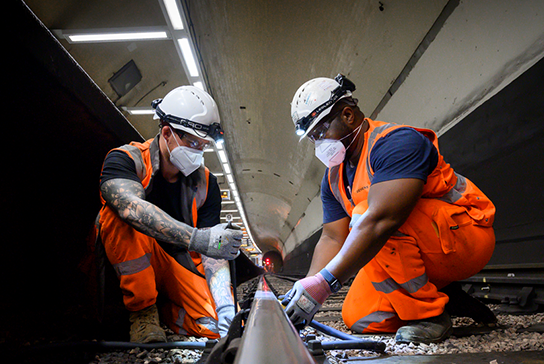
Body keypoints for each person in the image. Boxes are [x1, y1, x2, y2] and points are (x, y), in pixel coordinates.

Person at [284, 74, 497, 344]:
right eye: (313, 137)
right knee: (358, 317)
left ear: (348, 115)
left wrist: (326, 283)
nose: (319, 142)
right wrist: (307, 288)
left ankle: (429, 315)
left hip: (465, 236)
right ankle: (447, 300)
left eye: (321, 131)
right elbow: (332, 237)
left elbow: (382, 219)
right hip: (425, 248)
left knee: (366, 215)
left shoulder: (396, 143)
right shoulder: (333, 178)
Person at [96, 85, 242, 343]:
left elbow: (212, 251)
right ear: (167, 132)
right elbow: (130, 207)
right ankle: (143, 313)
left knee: (212, 325)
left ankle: (165, 312)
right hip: (132, 259)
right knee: (118, 216)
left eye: (204, 145)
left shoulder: (207, 184)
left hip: (174, 263)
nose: (199, 151)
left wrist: (225, 308)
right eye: (194, 142)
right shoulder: (126, 160)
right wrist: (197, 239)